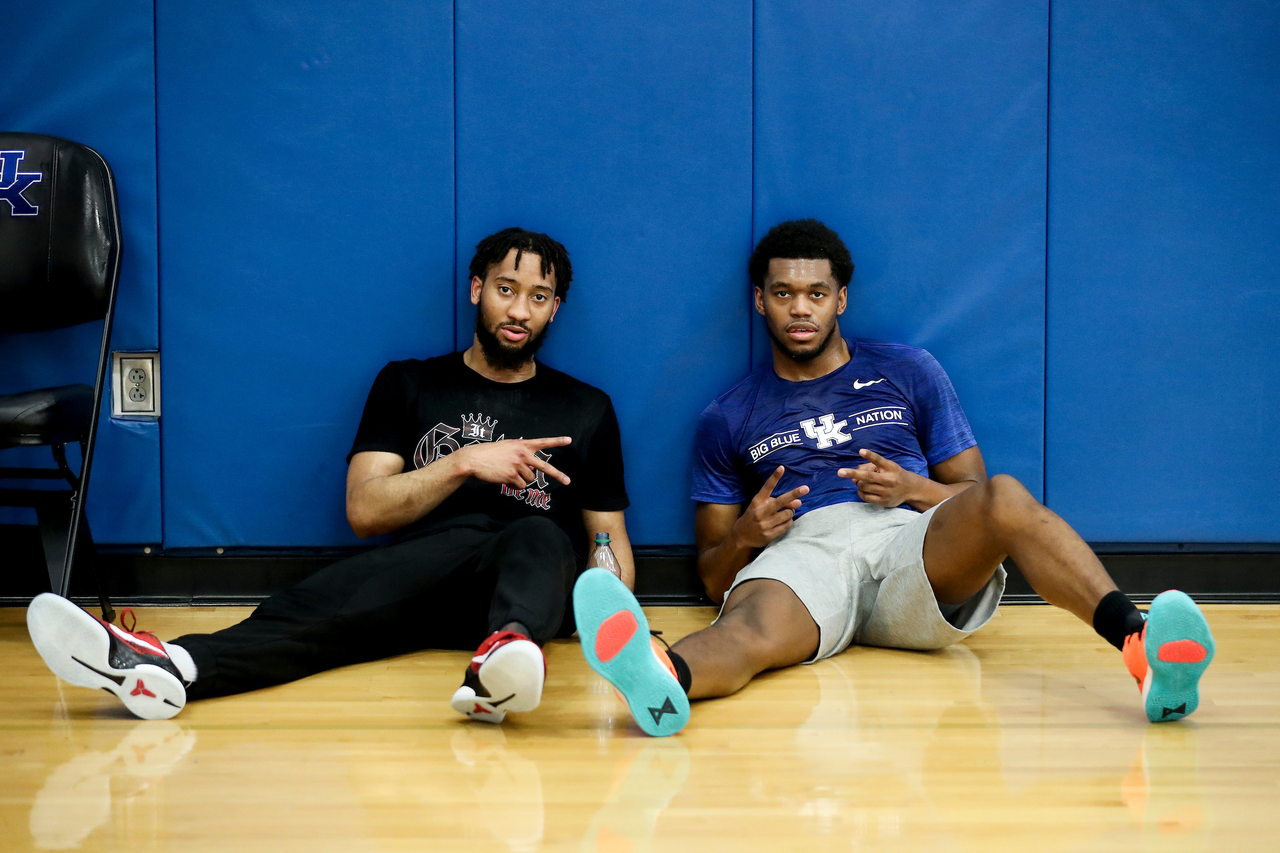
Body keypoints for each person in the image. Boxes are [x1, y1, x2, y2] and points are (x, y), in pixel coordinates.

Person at [572, 218, 1214, 737]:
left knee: (1009, 495)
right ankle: (664, 677)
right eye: (785, 293)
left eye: (817, 293)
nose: (802, 309)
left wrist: (916, 491)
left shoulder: (908, 370)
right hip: (806, 556)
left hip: (910, 544)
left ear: (841, 299)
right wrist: (745, 535)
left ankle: (1138, 643)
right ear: (760, 301)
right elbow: (714, 578)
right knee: (746, 628)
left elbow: (980, 502)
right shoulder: (727, 417)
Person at [27, 227, 634, 723]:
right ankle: (167, 667)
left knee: (539, 536)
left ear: (555, 308)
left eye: (537, 297)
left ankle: (508, 650)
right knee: (311, 616)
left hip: (532, 583)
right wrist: (465, 461)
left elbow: (611, 550)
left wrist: (609, 605)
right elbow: (365, 511)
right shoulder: (409, 383)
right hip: (424, 578)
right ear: (477, 289)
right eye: (506, 288)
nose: (519, 310)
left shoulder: (585, 408)